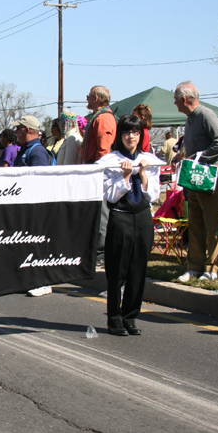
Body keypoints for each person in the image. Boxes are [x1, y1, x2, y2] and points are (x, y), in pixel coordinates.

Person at [97, 115, 160, 336]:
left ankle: (130, 316)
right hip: (120, 218)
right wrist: (125, 176)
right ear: (119, 135)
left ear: (140, 134)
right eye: (126, 132)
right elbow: (110, 196)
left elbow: (153, 194)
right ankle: (114, 320)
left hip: (142, 217)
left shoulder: (149, 159)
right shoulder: (109, 161)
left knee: (138, 270)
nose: (130, 137)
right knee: (117, 271)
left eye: (135, 132)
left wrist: (142, 173)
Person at [173, 81, 218, 282]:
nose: (174, 103)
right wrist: (182, 157)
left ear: (184, 99)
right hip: (195, 175)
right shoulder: (190, 119)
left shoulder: (206, 114)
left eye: (175, 100)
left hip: (212, 173)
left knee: (213, 222)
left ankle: (215, 268)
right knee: (195, 221)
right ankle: (194, 267)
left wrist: (201, 156)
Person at [82, 86, 117, 163]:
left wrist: (98, 168)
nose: (87, 99)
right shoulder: (100, 116)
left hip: (97, 165)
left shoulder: (103, 118)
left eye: (88, 96)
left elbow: (103, 149)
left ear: (95, 98)